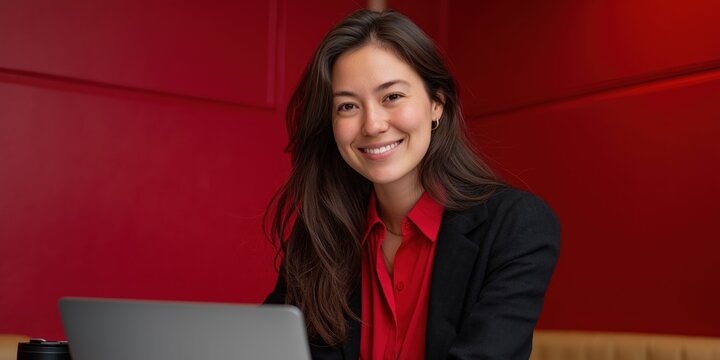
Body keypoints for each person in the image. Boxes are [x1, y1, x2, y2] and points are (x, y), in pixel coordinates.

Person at [264, 8, 560, 360]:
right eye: (347, 106)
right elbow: (265, 348)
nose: (372, 124)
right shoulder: (319, 237)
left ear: (437, 104)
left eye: (391, 97)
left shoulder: (516, 227)